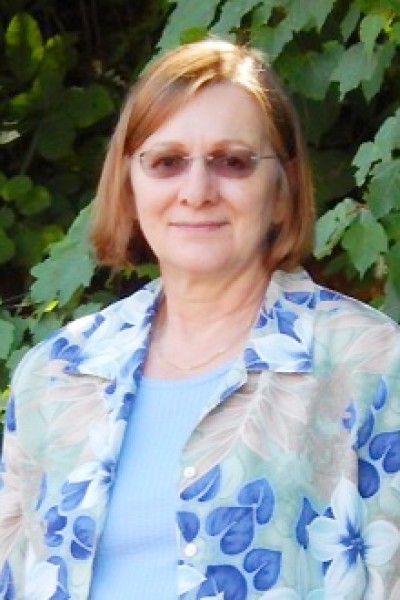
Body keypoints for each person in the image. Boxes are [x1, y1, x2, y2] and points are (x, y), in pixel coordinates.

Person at [0, 37, 399, 600]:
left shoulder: (369, 363)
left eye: (232, 162)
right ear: (129, 183)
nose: (196, 191)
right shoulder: (56, 375)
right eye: (167, 162)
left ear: (282, 190)